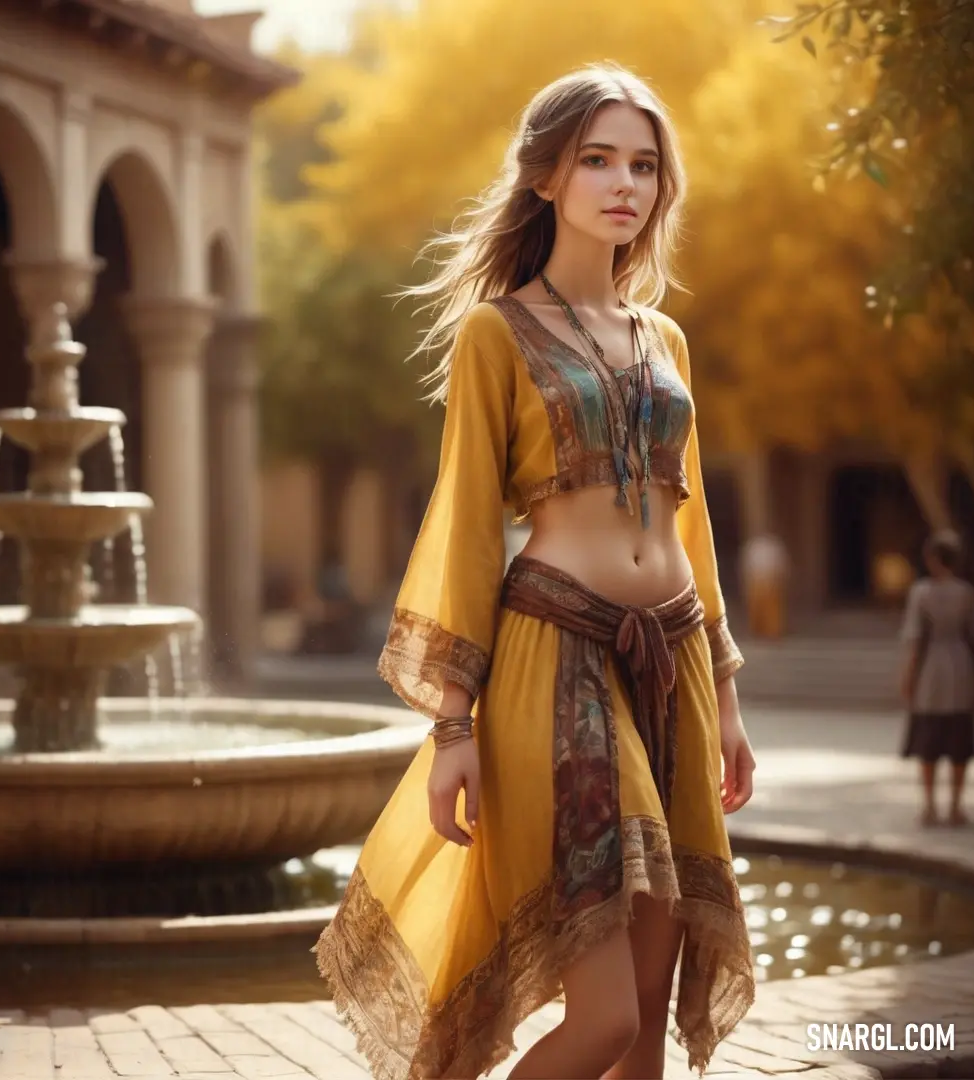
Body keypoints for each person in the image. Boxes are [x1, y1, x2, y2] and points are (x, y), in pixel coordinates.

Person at [315, 63, 757, 1080]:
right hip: (556, 668)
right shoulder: (496, 334)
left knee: (644, 1021)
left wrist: (728, 697)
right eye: (597, 159)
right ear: (547, 176)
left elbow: (697, 529)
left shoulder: (666, 341)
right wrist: (454, 724)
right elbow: (470, 524)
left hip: (676, 667)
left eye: (643, 165)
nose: (624, 184)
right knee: (599, 1021)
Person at [900, 529, 974, 828]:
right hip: (960, 665)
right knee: (958, 737)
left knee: (930, 738)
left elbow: (914, 638)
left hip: (932, 668)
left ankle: (930, 806)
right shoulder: (966, 592)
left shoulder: (921, 592)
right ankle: (956, 807)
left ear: (933, 559)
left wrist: (908, 678)